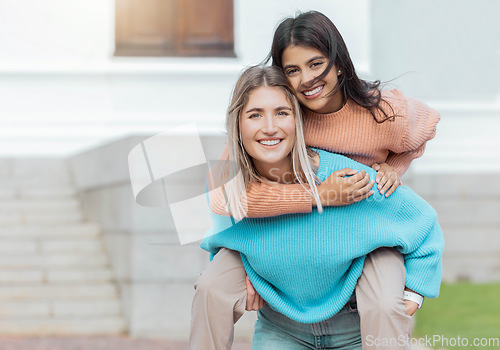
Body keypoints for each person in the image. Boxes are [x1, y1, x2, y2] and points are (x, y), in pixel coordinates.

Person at [191, 10, 440, 349]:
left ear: (338, 62)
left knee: (383, 289)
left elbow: (426, 129)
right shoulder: (285, 118)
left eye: (316, 64)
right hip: (317, 200)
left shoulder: (383, 113)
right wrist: (319, 194)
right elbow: (227, 197)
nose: (306, 79)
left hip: (365, 207)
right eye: (292, 70)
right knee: (212, 284)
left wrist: (393, 168)